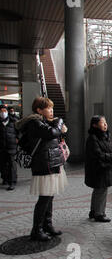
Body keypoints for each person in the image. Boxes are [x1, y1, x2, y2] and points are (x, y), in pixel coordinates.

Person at [15, 97, 68, 241]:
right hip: (43, 165)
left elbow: (54, 136)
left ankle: (47, 225)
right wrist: (59, 122)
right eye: (48, 108)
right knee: (44, 198)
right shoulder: (34, 123)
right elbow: (51, 133)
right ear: (39, 110)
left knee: (49, 196)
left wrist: (59, 129)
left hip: (51, 162)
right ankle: (36, 229)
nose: (51, 111)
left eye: (52, 108)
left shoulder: (44, 122)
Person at [85, 115, 112, 222]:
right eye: (102, 122)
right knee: (101, 191)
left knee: (99, 190)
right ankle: (99, 213)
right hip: (99, 169)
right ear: (95, 125)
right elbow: (98, 154)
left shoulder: (105, 135)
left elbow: (111, 149)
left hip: (105, 168)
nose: (105, 124)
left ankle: (94, 211)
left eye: (105, 122)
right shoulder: (93, 138)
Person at [0, 105, 18, 191]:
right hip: (1, 147)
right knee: (2, 164)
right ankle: (5, 178)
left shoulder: (13, 121)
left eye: (4, 111)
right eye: (1, 111)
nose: (3, 113)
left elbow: (20, 132)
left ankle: (12, 182)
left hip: (11, 146)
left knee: (12, 164)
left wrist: (17, 139)